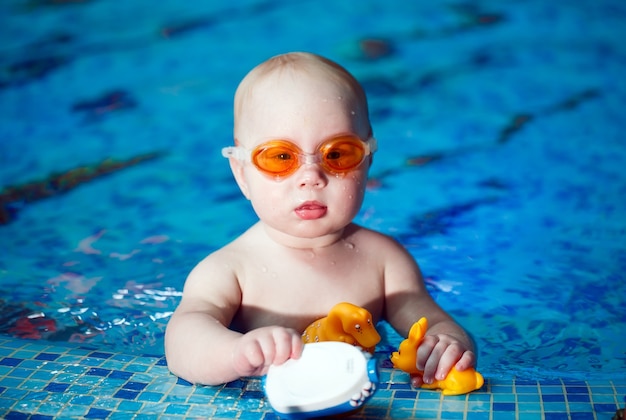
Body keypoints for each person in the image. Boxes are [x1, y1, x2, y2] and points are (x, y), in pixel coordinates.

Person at [165, 52, 476, 387]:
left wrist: (446, 346)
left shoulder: (385, 261)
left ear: (367, 162)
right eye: (280, 157)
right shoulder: (230, 270)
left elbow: (435, 323)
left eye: (338, 154)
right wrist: (235, 353)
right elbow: (183, 342)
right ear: (242, 174)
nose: (311, 177)